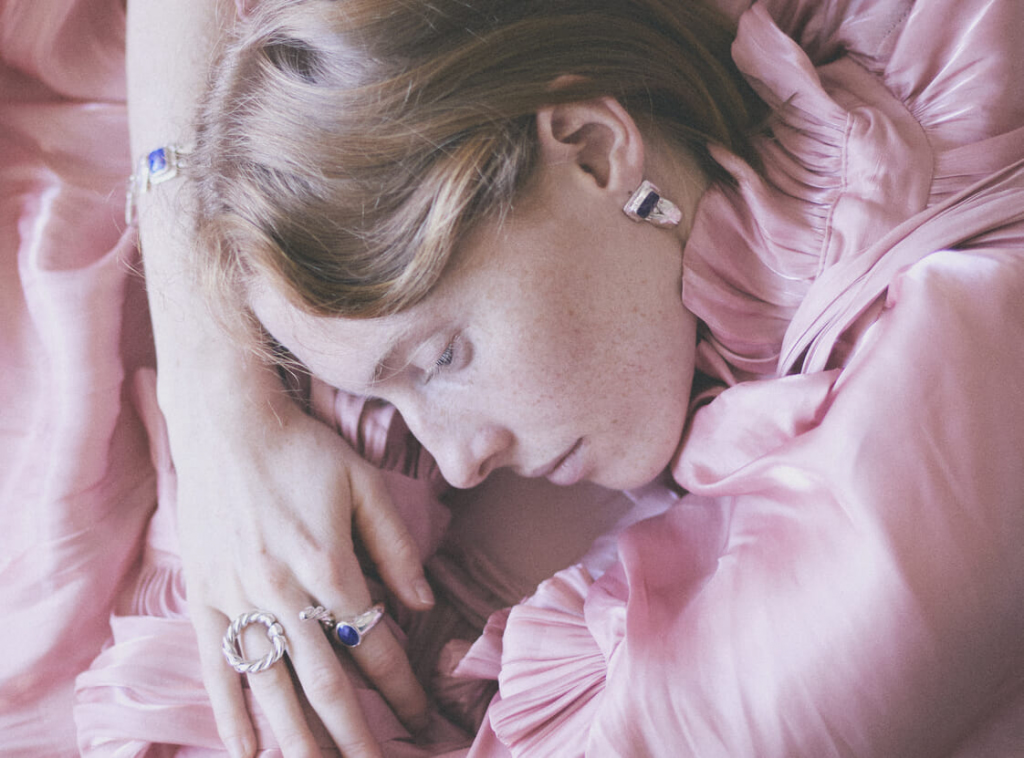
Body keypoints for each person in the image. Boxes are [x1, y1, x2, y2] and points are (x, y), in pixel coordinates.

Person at [3, 0, 1024, 757]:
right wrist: (223, 402)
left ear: (594, 150)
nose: (461, 454)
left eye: (443, 358)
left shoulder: (950, 334)